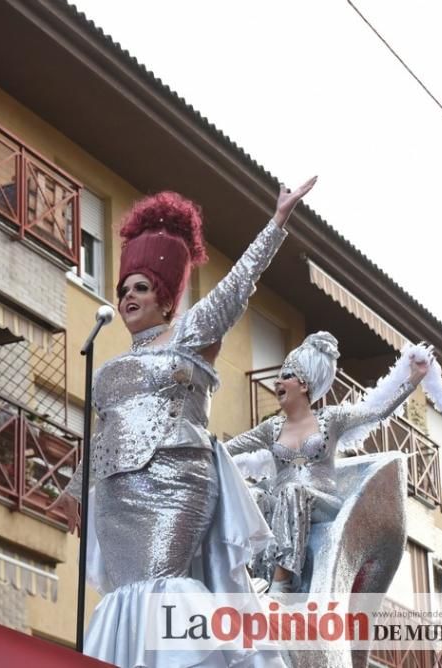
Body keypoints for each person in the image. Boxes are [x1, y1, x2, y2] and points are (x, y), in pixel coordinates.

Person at [56, 178, 318, 668]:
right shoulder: (109, 369)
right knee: (130, 594)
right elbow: (103, 437)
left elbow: (236, 287)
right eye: (123, 290)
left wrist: (276, 223)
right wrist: (75, 489)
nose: (128, 297)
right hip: (116, 498)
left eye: (140, 287)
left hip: (177, 481)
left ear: (164, 297)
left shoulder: (190, 337)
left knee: (166, 582)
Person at [226, 332, 442, 593]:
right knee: (255, 495)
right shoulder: (271, 427)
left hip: (321, 501)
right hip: (283, 501)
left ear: (304, 385)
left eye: (286, 376)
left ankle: (282, 581)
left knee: (291, 490)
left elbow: (378, 412)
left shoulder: (332, 419)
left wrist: (413, 379)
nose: (278, 382)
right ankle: (252, 574)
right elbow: (230, 448)